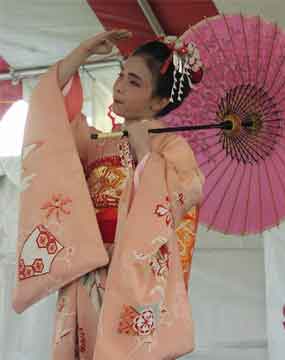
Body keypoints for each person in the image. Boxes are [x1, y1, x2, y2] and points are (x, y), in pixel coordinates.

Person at [12, 29, 205, 360]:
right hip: (89, 269)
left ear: (159, 101)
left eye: (133, 82)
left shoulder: (172, 147)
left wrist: (145, 148)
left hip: (133, 280)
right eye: (120, 75)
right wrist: (82, 53)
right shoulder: (94, 141)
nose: (118, 86)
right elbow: (51, 116)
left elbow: (173, 203)